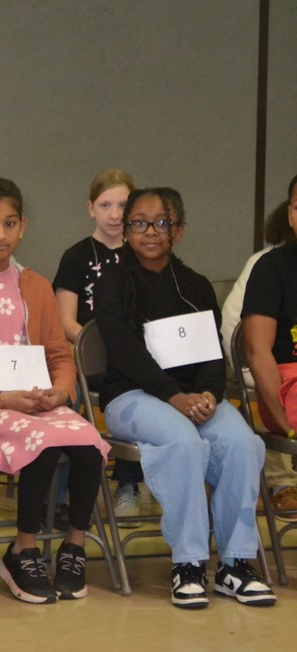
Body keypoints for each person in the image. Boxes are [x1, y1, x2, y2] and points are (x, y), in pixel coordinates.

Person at [95, 187, 275, 609]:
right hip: (132, 397)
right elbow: (123, 351)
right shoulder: (113, 282)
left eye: (162, 222)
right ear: (126, 229)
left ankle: (235, 564)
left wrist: (211, 395)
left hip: (192, 398)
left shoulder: (195, 286)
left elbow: (212, 356)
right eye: (139, 222)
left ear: (178, 230)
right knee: (183, 441)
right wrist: (173, 396)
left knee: (242, 442)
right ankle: (189, 562)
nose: (150, 232)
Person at [0, 178, 109, 604]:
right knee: (44, 443)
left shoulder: (36, 284)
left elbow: (59, 356)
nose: (1, 234)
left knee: (88, 442)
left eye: (10, 224)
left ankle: (74, 546)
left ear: (23, 227)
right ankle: (22, 549)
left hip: (36, 404)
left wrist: (62, 393)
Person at [53, 169, 140, 525]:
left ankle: (129, 485)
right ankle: (63, 495)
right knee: (65, 399)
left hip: (131, 362)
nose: (115, 214)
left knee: (144, 393)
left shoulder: (141, 256)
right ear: (91, 208)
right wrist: (98, 348)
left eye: (122, 205)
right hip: (87, 360)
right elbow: (64, 322)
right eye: (106, 205)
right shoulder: (76, 256)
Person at [242, 174, 297, 517]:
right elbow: (256, 351)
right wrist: (284, 423)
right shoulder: (271, 268)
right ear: (290, 214)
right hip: (287, 383)